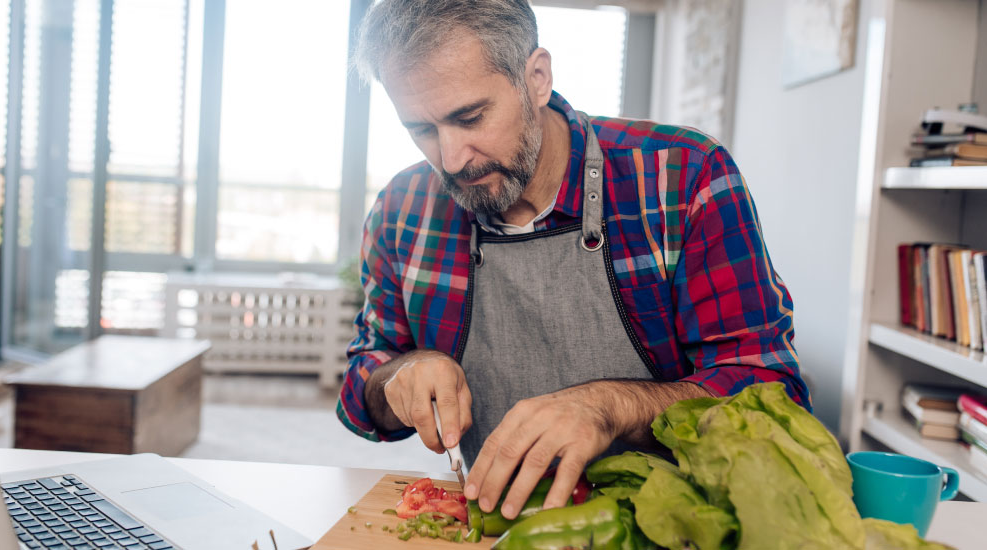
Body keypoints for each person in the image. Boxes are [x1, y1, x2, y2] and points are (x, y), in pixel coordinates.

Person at [336, 0, 811, 523]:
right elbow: (364, 388)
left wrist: (608, 406)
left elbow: (771, 394)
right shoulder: (402, 210)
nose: (451, 159)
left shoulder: (686, 176)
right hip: (505, 527)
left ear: (536, 78)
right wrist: (401, 373)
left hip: (680, 528)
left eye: (469, 117)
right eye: (420, 130)